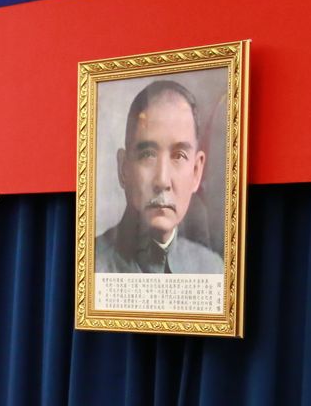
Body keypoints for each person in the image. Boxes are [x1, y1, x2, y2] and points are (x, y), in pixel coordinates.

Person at [94, 79, 224, 274]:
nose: (162, 181)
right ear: (124, 168)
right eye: (148, 155)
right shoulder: (90, 266)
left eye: (179, 156)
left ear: (196, 172)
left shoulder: (212, 269)